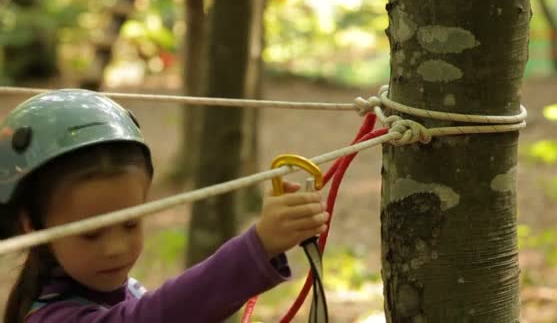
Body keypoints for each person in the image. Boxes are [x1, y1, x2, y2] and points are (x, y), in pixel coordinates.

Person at [0, 89, 328, 323]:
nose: (116, 248)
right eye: (90, 233)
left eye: (131, 223)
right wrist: (258, 245)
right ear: (32, 225)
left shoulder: (117, 290)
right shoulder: (52, 317)